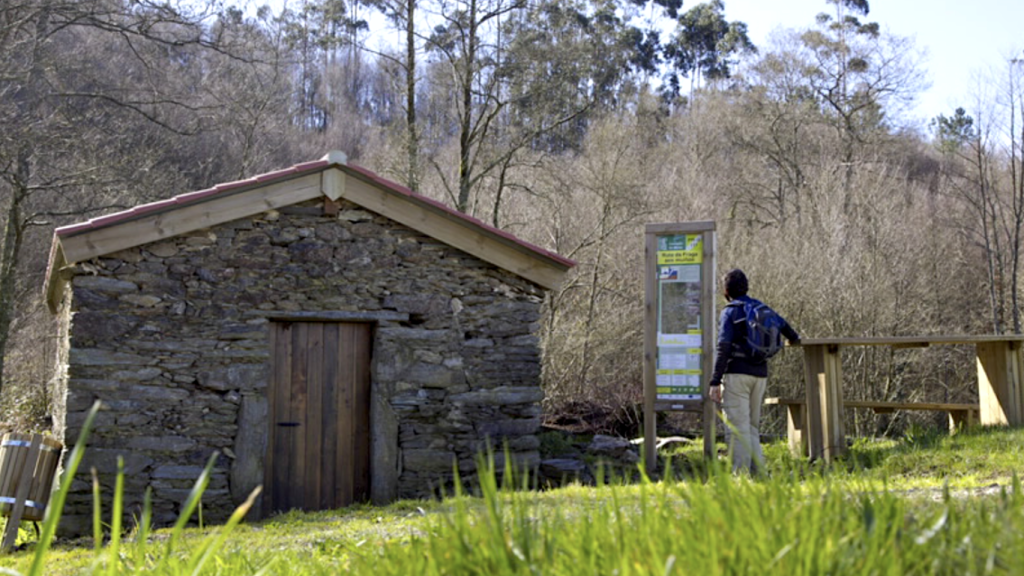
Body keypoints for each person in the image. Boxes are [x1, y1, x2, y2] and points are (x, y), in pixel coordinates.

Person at [708, 269, 800, 475]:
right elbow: (790, 332)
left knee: (737, 428)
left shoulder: (730, 312)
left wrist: (715, 380)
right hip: (760, 375)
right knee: (751, 428)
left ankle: (740, 477)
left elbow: (723, 348)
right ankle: (759, 474)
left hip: (737, 376)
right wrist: (792, 341)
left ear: (726, 291)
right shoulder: (761, 308)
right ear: (746, 287)